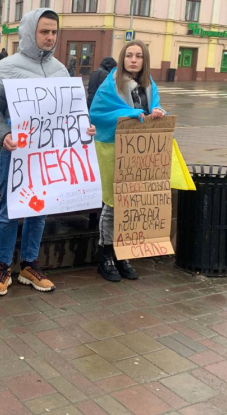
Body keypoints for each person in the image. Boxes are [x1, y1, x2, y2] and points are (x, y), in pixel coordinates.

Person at [0, 8, 96, 296]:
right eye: (44, 31)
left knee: (40, 209)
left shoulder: (60, 69)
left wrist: (84, 129)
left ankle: (29, 265)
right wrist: (3, 133)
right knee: (9, 211)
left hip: (48, 156)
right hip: (16, 152)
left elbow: (69, 114)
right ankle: (3, 266)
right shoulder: (4, 68)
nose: (50, 37)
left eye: (54, 32)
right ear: (31, 32)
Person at [89, 40, 167, 282]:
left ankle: (123, 255)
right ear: (122, 58)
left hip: (138, 153)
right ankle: (106, 256)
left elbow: (153, 106)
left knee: (132, 203)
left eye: (139, 56)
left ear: (144, 61)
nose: (133, 60)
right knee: (112, 204)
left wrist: (158, 111)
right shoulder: (110, 85)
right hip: (112, 148)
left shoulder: (149, 84)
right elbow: (97, 114)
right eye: (129, 55)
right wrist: (135, 114)